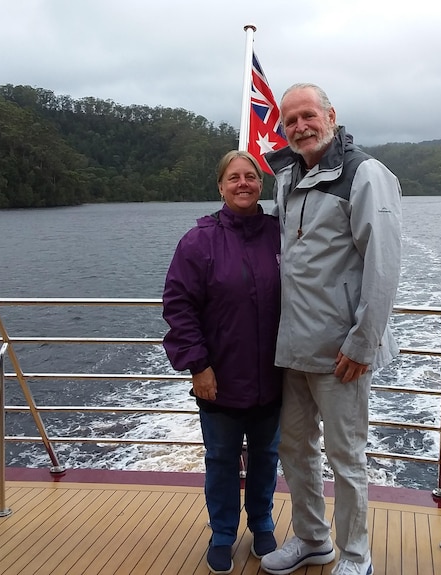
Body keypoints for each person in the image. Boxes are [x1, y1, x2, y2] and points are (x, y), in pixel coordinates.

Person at [259, 84, 402, 575]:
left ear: (330, 116)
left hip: (343, 352)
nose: (299, 127)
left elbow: (383, 268)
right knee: (296, 450)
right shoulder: (286, 176)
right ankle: (312, 538)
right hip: (292, 346)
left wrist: (363, 343)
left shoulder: (365, 175)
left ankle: (357, 555)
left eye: (307, 116)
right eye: (290, 120)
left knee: (346, 457)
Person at [162, 150, 283, 575]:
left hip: (274, 374)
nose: (243, 184)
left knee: (267, 455)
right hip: (219, 377)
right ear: (220, 186)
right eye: (234, 178)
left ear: (260, 183)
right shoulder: (199, 241)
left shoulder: (279, 234)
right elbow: (179, 307)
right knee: (221, 458)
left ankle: (263, 522)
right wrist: (198, 366)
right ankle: (223, 533)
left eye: (250, 176)